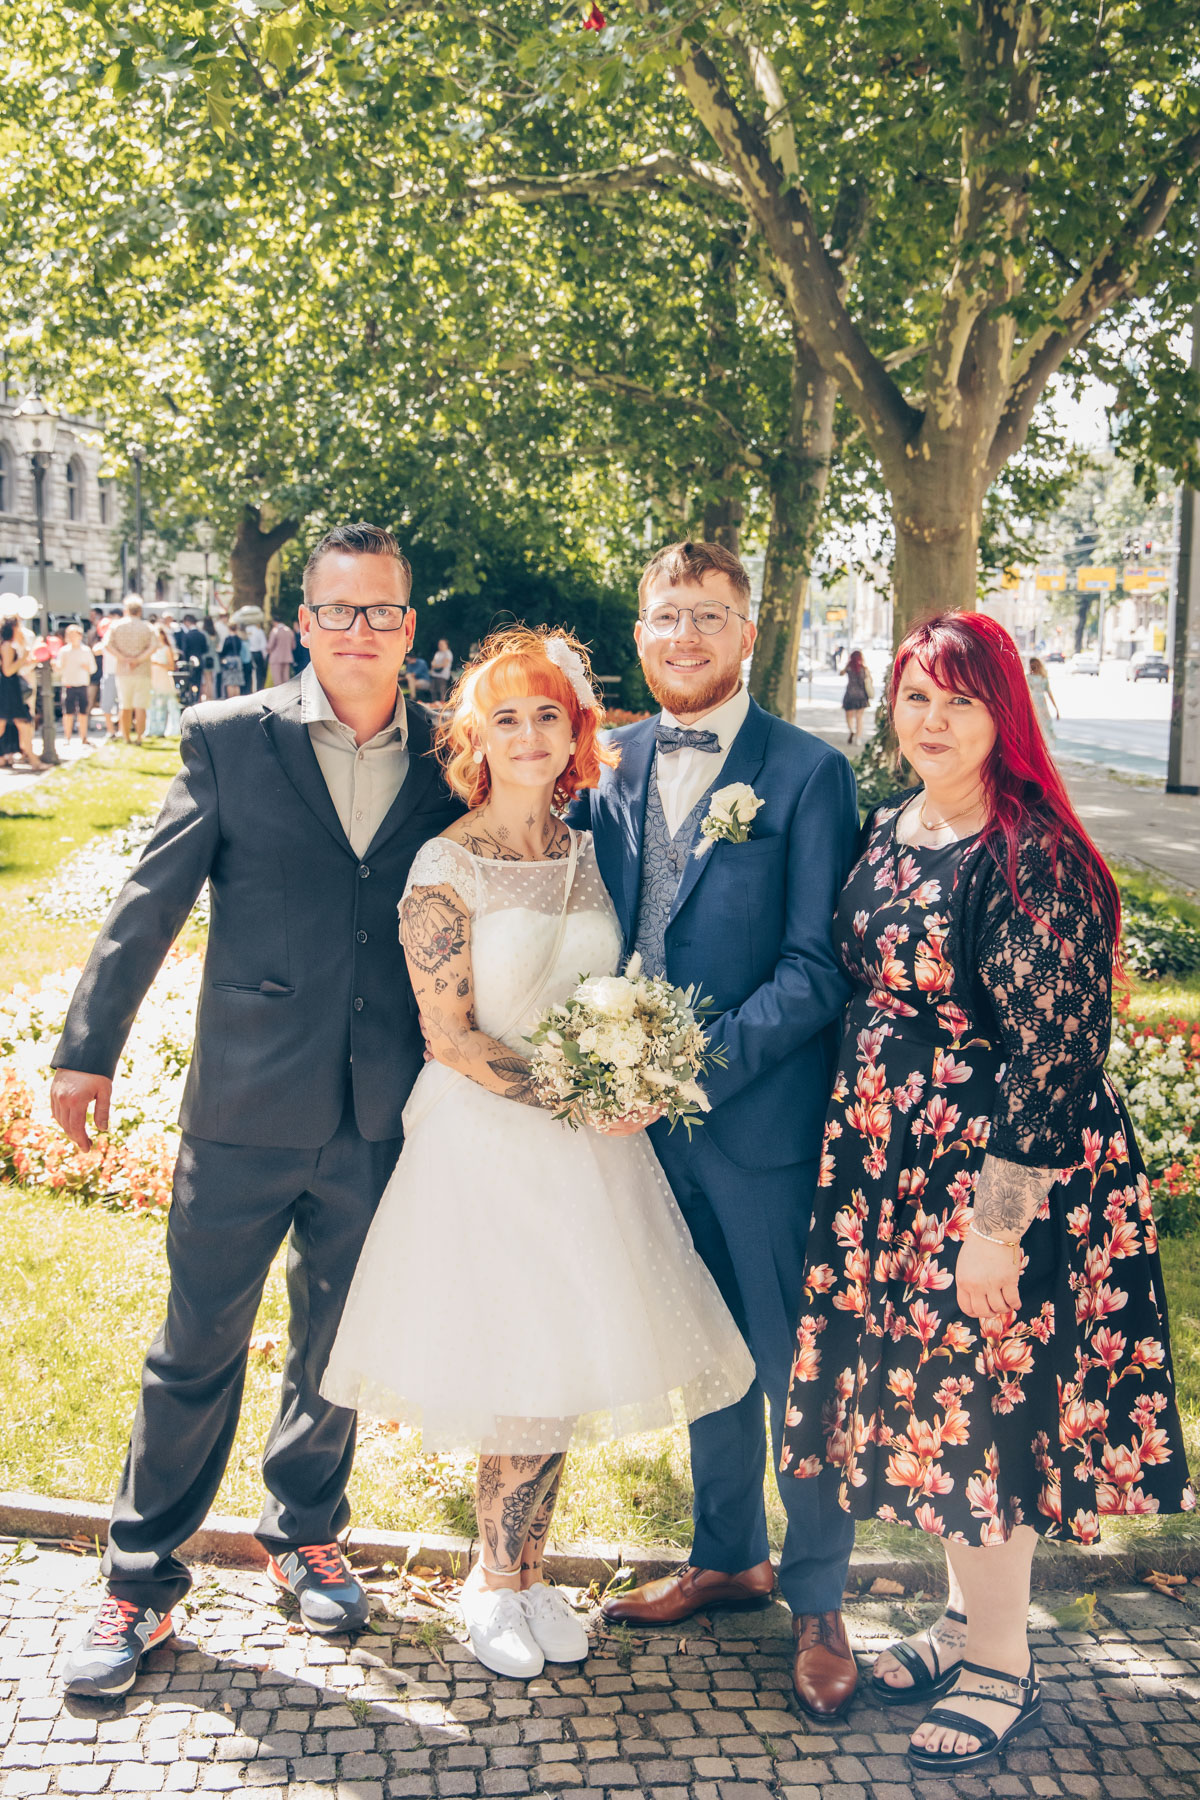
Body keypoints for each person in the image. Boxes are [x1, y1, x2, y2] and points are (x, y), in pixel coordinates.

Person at [50, 522, 461, 1700]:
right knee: (196, 1347)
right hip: (244, 1101)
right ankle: (139, 1578)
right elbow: (151, 896)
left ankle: (305, 1530)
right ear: (304, 625)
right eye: (337, 610)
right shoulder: (230, 738)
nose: (359, 630)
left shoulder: (453, 753)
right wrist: (88, 1050)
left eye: (380, 610)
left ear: (408, 626)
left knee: (337, 1345)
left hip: (382, 1109)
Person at [780, 609, 1194, 1771]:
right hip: (895, 1168)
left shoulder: (1030, 857)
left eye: (960, 700)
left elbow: (1055, 1061)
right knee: (938, 1412)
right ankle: (963, 1622)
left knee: (987, 1416)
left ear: (1002, 712)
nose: (932, 720)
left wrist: (996, 1231)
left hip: (996, 1179)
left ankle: (1004, 1664)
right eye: (916, 696)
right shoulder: (892, 825)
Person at [321, 626, 755, 1681]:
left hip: (587, 1156)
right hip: (486, 1144)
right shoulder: (446, 863)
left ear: (574, 734)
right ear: (477, 736)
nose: (527, 735)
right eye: (506, 717)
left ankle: (529, 1573)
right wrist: (583, 1093)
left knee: (558, 1366)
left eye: (546, 716)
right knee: (515, 1364)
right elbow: (450, 1035)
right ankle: (490, 1579)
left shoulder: (587, 852)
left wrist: (631, 1073)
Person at [568, 541, 862, 1720]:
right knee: (704, 1347)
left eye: (708, 615)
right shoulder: (612, 759)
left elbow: (815, 968)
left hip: (758, 1126)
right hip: (639, 1134)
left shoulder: (807, 772)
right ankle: (727, 1556)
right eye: (665, 615)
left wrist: (687, 1071)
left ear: (749, 630)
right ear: (640, 631)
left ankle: (821, 1599)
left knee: (796, 1365)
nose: (683, 636)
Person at [107, 596, 156, 743]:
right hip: (142, 670)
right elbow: (154, 646)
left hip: (123, 670)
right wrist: (138, 659)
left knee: (125, 705)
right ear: (140, 611)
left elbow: (107, 645)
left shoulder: (116, 626)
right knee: (140, 706)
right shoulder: (147, 627)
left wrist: (123, 658)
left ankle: (126, 737)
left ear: (126, 610)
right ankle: (139, 737)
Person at [0, 617, 47, 770]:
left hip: (9, 689)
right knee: (23, 724)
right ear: (12, 628)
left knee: (20, 725)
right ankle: (34, 761)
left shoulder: (8, 645)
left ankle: (34, 761)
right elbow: (8, 671)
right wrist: (24, 657)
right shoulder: (7, 646)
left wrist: (26, 659)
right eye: (18, 626)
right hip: (8, 690)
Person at [55, 623, 97, 746]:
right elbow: (59, 668)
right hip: (69, 684)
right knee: (68, 713)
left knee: (83, 713)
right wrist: (56, 665)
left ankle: (83, 737)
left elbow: (93, 668)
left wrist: (86, 667)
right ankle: (67, 737)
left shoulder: (86, 651)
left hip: (82, 684)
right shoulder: (64, 651)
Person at [147, 625, 181, 738]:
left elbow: (171, 666)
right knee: (151, 704)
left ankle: (162, 729)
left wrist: (158, 664)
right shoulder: (151, 649)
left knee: (163, 704)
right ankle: (151, 728)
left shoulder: (166, 649)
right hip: (153, 678)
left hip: (162, 678)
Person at [841, 648, 872, 745]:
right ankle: (858, 738)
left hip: (850, 695)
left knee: (849, 716)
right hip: (861, 696)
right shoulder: (864, 669)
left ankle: (852, 730)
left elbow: (841, 673)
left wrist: (847, 665)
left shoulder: (848, 667)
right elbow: (870, 680)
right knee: (859, 718)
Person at [1027, 654, 1059, 743]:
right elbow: (1049, 694)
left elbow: (1049, 693)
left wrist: (1056, 709)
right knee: (1040, 725)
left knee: (1039, 724)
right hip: (1037, 703)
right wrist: (1056, 709)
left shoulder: (1034, 678)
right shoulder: (1037, 678)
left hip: (1037, 703)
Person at [218, 624, 250, 697]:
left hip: (229, 659)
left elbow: (223, 651)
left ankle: (231, 698)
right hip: (238, 659)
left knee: (229, 681)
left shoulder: (227, 639)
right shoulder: (239, 639)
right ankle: (237, 698)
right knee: (237, 682)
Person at [267, 617, 296, 688]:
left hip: (276, 658)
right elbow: (293, 646)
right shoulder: (289, 631)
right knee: (286, 679)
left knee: (277, 680)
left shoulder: (275, 631)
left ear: (274, 622)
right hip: (287, 657)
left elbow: (270, 646)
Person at [245, 620, 269, 691]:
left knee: (249, 673)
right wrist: (265, 656)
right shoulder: (259, 631)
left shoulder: (246, 630)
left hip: (248, 653)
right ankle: (258, 689)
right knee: (259, 672)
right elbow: (263, 645)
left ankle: (249, 689)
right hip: (257, 653)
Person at [430, 637, 454, 701]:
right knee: (433, 690)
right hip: (434, 675)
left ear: (446, 645)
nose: (440, 646)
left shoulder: (448, 653)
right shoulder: (438, 653)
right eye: (439, 644)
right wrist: (436, 665)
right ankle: (434, 703)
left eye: (442, 644)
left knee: (442, 690)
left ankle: (442, 703)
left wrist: (435, 666)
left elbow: (444, 664)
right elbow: (432, 663)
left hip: (443, 676)